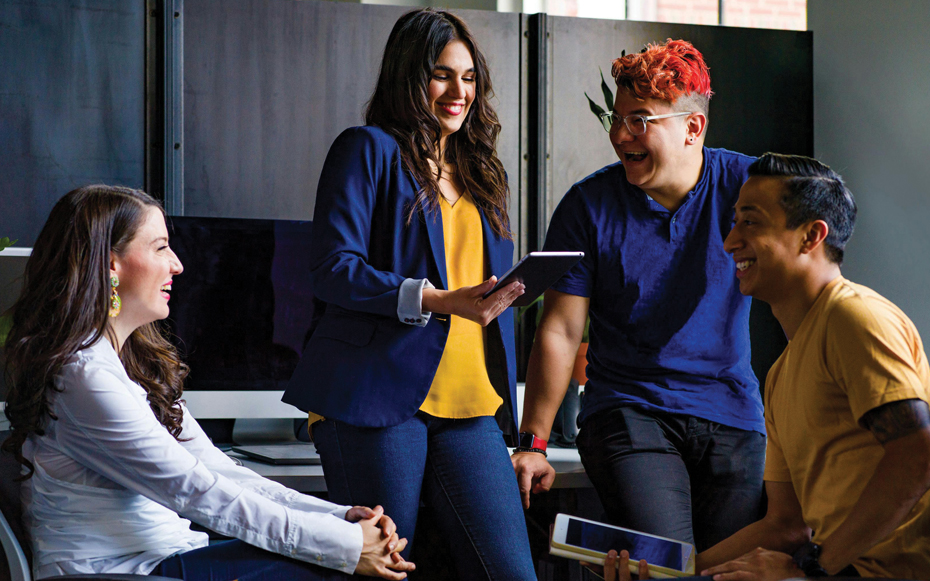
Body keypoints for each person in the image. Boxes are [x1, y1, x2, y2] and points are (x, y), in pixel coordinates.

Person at [1, 185, 415, 580]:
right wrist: (345, 546)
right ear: (111, 264)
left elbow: (220, 472)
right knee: (344, 568)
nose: (177, 264)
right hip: (119, 574)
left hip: (170, 558)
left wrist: (338, 518)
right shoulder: (84, 377)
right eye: (161, 247)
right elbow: (195, 491)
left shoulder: (127, 366)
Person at [280, 8, 535, 581]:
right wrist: (439, 300)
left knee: (512, 573)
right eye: (442, 74)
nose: (458, 91)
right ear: (408, 76)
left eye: (469, 77)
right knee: (386, 571)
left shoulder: (482, 171)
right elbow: (332, 269)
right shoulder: (367, 149)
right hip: (378, 398)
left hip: (472, 403)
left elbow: (480, 291)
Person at [514, 39, 765, 551]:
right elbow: (561, 331)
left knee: (728, 567)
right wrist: (533, 444)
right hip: (629, 411)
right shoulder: (588, 207)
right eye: (618, 118)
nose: (620, 134)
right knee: (666, 563)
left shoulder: (749, 186)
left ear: (693, 127)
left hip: (732, 413)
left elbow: (816, 244)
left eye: (640, 120)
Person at [695, 153, 930, 579]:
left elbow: (917, 453)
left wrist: (813, 571)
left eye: (750, 222)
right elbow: (786, 526)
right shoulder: (780, 374)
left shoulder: (854, 318)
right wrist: (669, 570)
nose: (730, 242)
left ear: (811, 236)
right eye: (734, 223)